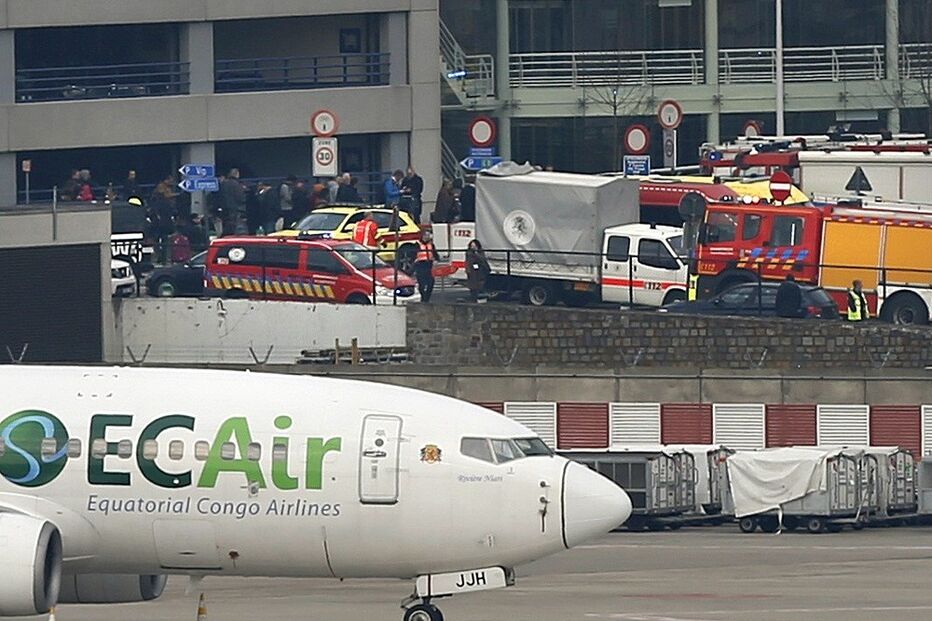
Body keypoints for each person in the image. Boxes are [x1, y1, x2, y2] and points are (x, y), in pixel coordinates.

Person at [414, 230, 440, 303]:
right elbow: (413, 254)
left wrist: (436, 260)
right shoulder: (417, 244)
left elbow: (435, 254)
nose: (427, 237)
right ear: (422, 236)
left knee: (430, 283)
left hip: (429, 265)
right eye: (425, 235)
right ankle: (423, 298)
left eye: (428, 236)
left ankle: (426, 299)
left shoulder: (431, 244)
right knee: (421, 284)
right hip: (420, 265)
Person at [220, 168, 246, 236]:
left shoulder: (223, 184)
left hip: (224, 208)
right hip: (235, 209)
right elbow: (241, 198)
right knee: (235, 227)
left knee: (226, 225)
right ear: (237, 174)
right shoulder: (237, 184)